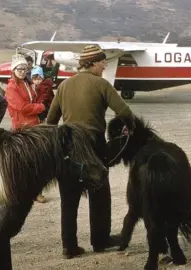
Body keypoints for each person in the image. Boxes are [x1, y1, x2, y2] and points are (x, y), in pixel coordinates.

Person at [46, 44, 135, 258]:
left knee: (69, 199)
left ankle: (69, 245)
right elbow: (124, 111)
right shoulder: (101, 84)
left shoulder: (65, 85)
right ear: (94, 63)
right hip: (93, 146)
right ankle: (100, 240)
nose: (105, 66)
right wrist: (130, 128)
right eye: (103, 62)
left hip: (68, 146)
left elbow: (50, 121)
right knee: (99, 195)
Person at [4, 56, 48, 203]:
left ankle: (36, 191)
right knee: (24, 162)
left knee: (35, 161)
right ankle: (20, 191)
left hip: (33, 126)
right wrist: (41, 107)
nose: (22, 71)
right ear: (13, 70)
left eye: (24, 69)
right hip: (22, 128)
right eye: (19, 69)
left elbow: (31, 101)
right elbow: (22, 107)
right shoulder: (11, 88)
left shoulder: (26, 84)